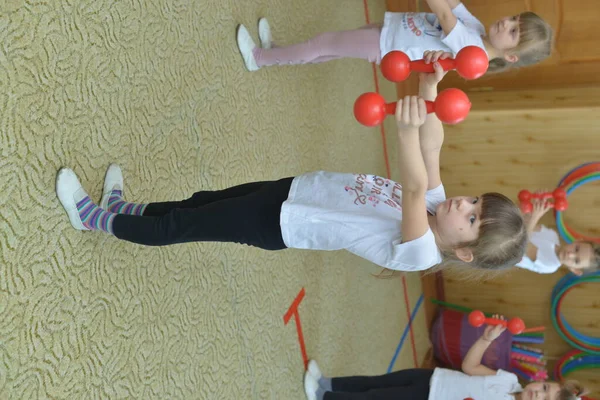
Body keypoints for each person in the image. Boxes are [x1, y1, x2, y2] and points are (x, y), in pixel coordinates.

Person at [55, 54, 526, 272]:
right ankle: (123, 208)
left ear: (465, 250)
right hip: (297, 190)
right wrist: (429, 92)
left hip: (280, 224)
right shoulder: (441, 205)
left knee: (182, 225)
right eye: (476, 200)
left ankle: (95, 220)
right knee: (198, 202)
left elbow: (416, 185)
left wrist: (402, 130)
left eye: (472, 218)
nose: (463, 204)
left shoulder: (421, 252)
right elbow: (433, 149)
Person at [303, 316, 587, 400]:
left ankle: (322, 397)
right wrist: (487, 339)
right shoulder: (510, 380)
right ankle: (328, 382)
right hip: (433, 378)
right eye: (545, 389)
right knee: (376, 383)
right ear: (544, 381)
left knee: (376, 399)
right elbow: (469, 367)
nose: (538, 394)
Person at [236, 0, 552, 74]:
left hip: (389, 46)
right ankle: (276, 51)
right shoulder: (480, 31)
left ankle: (259, 58)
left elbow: (445, 15)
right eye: (513, 19)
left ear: (512, 55)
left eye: (513, 32)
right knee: (331, 47)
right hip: (392, 30)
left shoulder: (476, 56)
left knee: (324, 42)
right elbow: (454, 4)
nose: (505, 24)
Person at [517, 195, 600, 275]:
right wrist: (535, 204)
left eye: (576, 261)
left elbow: (522, 246)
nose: (570, 254)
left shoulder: (551, 264)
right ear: (577, 241)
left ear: (575, 270)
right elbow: (525, 223)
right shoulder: (552, 235)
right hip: (508, 232)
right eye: (576, 249)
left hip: (505, 250)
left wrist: (535, 217)